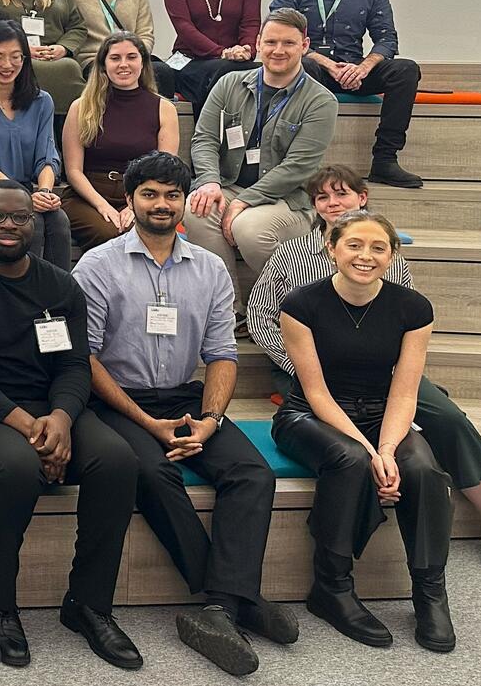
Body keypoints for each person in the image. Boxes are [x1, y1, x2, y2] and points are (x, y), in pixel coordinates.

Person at [72, 152, 298, 677]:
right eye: (149, 194)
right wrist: (146, 424)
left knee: (251, 472)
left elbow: (222, 353)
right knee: (151, 472)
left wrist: (212, 419)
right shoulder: (98, 265)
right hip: (116, 400)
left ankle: (223, 604)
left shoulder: (212, 267)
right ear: (129, 201)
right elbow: (84, 358)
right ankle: (235, 597)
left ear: (183, 202)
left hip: (185, 396)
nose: (162, 204)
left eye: (172, 195)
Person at [0, 180, 141, 671]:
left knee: (117, 460)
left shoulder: (59, 284)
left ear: (34, 222)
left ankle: (88, 603)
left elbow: (73, 364)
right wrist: (31, 427)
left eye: (19, 218)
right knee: (15, 467)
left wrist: (62, 417)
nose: (7, 226)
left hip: (51, 408)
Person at [249, 165, 481, 570]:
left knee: (449, 418)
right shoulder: (290, 253)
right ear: (316, 211)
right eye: (323, 198)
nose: (334, 203)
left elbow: (401, 320)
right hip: (312, 371)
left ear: (361, 198)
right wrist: (299, 360)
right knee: (347, 446)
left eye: (343, 194)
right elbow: (259, 314)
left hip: (383, 374)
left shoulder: (385, 250)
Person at [273, 210, 454, 652]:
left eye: (378, 248)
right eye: (354, 245)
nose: (365, 256)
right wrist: (371, 453)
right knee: (351, 459)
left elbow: (404, 392)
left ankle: (430, 592)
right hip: (309, 417)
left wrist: (388, 447)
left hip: (383, 414)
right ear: (331, 247)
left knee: (425, 471)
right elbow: (315, 393)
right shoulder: (301, 305)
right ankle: (331, 589)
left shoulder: (414, 308)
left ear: (392, 255)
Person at [186, 8, 337, 329]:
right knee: (196, 208)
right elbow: (204, 139)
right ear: (257, 43)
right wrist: (210, 182)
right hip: (229, 183)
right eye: (270, 41)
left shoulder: (321, 101)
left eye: (288, 43)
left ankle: (295, 304)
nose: (278, 50)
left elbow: (300, 167)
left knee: (249, 229)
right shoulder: (229, 83)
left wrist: (243, 201)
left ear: (305, 45)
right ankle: (228, 308)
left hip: (287, 199)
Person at [272, 0, 423, 188]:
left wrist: (363, 67)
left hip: (355, 69)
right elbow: (283, 34)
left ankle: (385, 160)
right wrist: (329, 64)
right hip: (314, 68)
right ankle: (298, 163)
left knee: (405, 70)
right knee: (301, 65)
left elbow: (387, 37)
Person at [0, 22, 69, 269]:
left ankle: (59, 299)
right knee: (32, 224)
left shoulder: (42, 101)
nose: (8, 65)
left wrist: (44, 192)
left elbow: (47, 156)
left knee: (58, 221)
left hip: (30, 189)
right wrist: (22, 197)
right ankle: (22, 299)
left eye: (15, 57)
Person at [61, 32, 180, 251]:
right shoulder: (81, 107)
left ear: (143, 63)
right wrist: (102, 206)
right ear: (103, 65)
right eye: (115, 58)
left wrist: (135, 206)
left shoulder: (164, 109)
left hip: (142, 193)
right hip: (88, 196)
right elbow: (73, 171)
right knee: (110, 233)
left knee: (142, 232)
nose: (123, 64)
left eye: (131, 57)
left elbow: (165, 170)